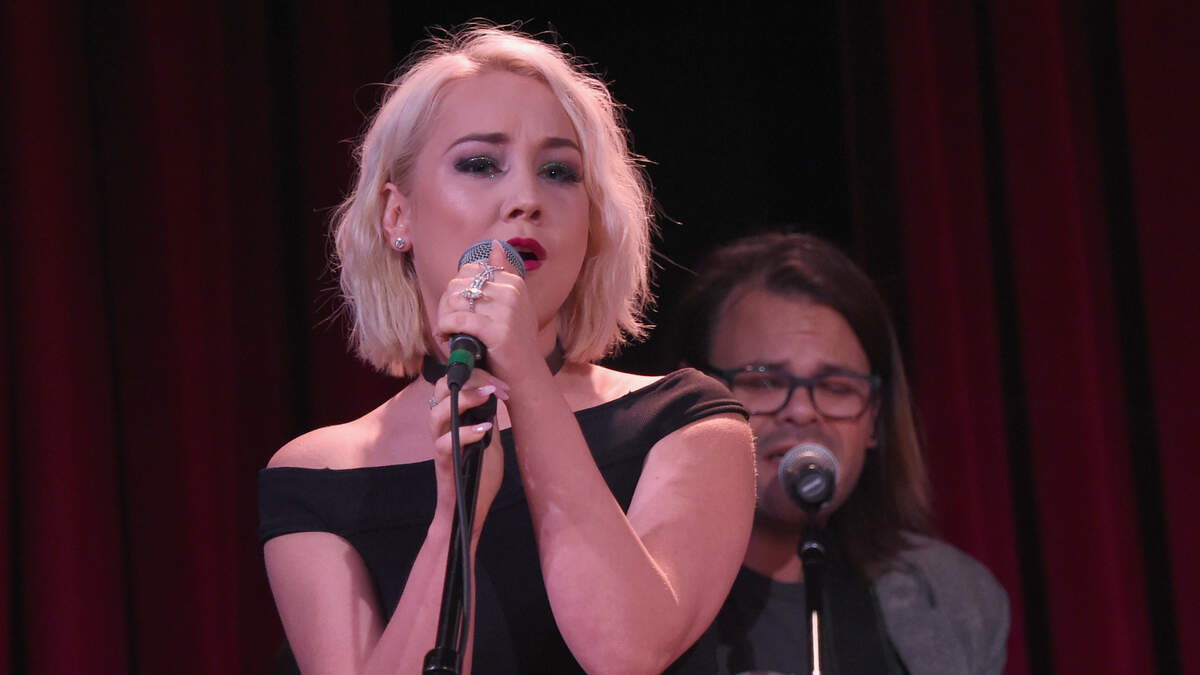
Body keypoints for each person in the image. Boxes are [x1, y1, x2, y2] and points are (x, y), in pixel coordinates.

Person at [256, 25, 756, 675]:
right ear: (397, 215)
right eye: (479, 164)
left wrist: (522, 369)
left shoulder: (687, 421)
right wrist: (452, 516)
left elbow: (625, 651)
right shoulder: (315, 476)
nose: (525, 200)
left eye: (559, 172)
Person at [674, 232, 1009, 675]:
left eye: (836, 388)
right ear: (692, 396)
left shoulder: (957, 598)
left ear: (873, 418)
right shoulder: (626, 585)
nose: (801, 411)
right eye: (763, 381)